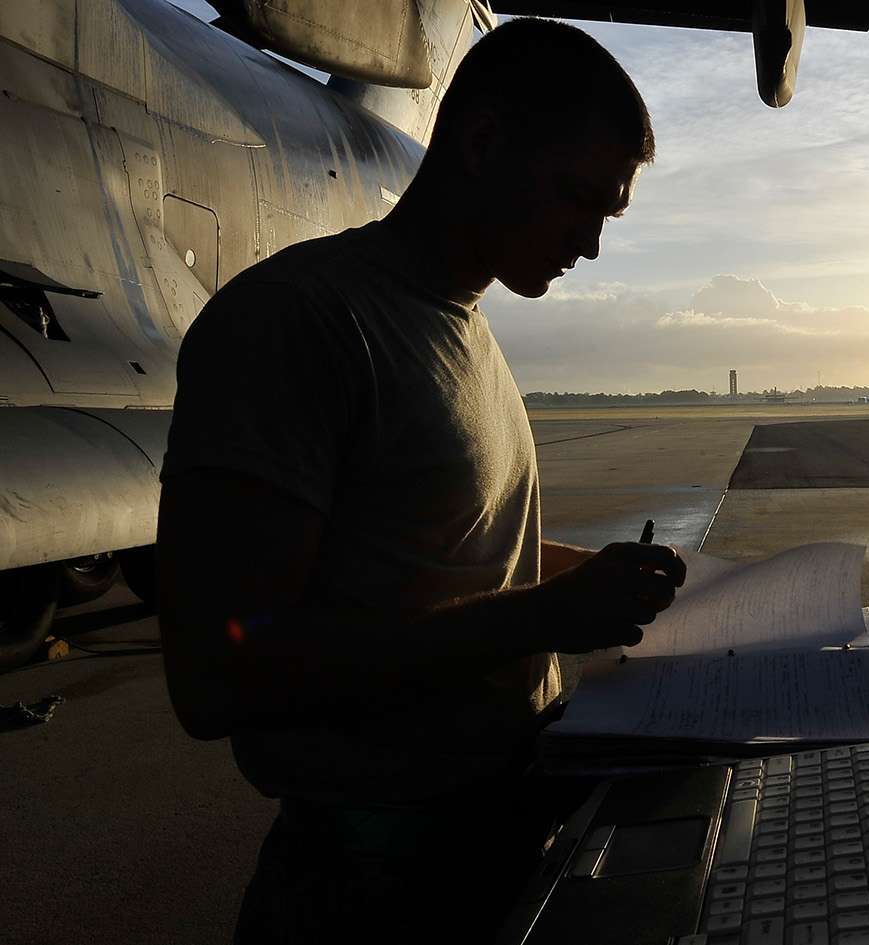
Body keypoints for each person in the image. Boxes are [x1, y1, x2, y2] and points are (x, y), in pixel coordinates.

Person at [155, 19, 682, 943]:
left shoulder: (466, 325)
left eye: (610, 214)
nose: (592, 245)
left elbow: (461, 559)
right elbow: (220, 674)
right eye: (576, 199)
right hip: (372, 890)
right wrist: (547, 616)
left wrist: (615, 579)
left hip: (494, 842)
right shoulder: (297, 324)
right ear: (481, 141)